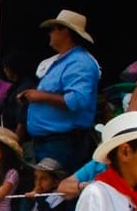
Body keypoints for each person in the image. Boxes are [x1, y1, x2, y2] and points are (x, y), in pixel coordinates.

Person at [21, 10, 101, 172]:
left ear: (65, 31)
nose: (49, 33)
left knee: (54, 192)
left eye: (53, 29)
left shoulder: (80, 63)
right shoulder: (64, 61)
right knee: (46, 191)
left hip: (63, 143)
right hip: (51, 142)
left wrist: (39, 96)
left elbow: (77, 100)